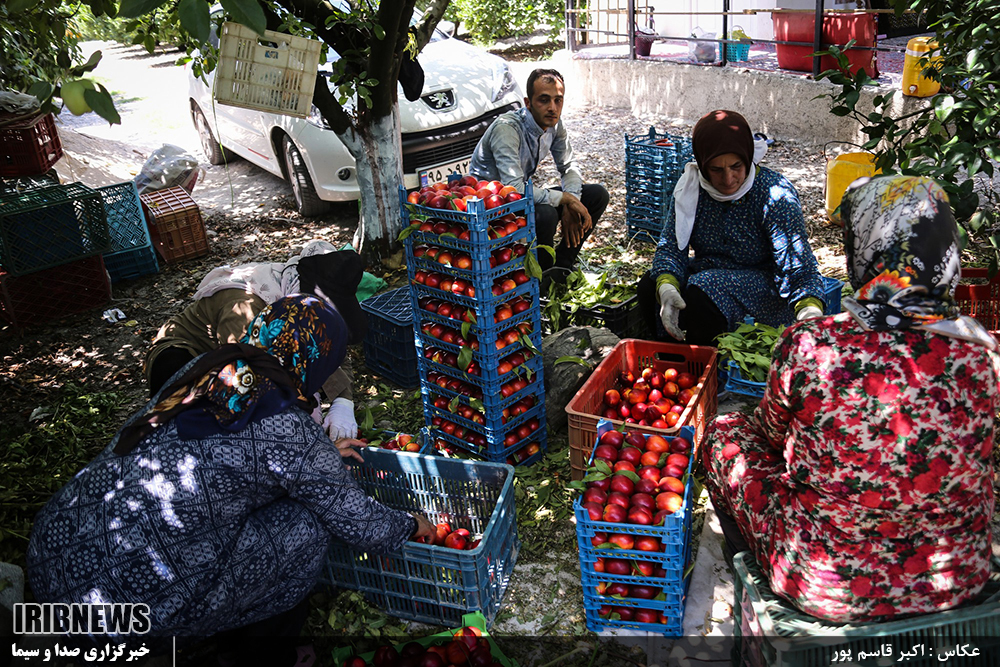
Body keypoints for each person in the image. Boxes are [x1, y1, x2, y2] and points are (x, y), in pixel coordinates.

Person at [26, 295, 435, 662]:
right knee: (309, 526)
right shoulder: (286, 427)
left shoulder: (205, 370)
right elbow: (360, 524)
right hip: (130, 608)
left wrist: (317, 458)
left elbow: (230, 458)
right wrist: (411, 524)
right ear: (317, 358)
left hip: (53, 555)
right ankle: (259, 652)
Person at [701, 175, 999, 623]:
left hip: (827, 584)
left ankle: (753, 556)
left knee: (724, 434)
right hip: (959, 577)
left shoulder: (813, 344)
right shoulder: (983, 354)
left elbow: (769, 433)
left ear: (863, 249)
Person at [144, 240, 366, 441]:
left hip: (230, 366)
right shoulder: (244, 306)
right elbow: (250, 373)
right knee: (226, 424)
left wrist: (343, 401)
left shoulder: (293, 287)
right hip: (185, 356)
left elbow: (328, 344)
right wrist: (304, 412)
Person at [637, 109, 826, 345]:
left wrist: (809, 309)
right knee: (650, 284)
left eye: (736, 166)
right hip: (709, 272)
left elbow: (798, 265)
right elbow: (671, 248)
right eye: (716, 170)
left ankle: (709, 366)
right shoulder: (692, 189)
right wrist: (666, 286)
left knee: (702, 289)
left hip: (763, 287)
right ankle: (672, 357)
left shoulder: (774, 193)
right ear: (704, 166)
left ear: (747, 158)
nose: (728, 179)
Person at [469, 68, 609, 276]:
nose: (552, 108)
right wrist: (565, 199)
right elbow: (513, 189)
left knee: (597, 195)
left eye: (558, 100)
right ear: (528, 103)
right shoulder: (507, 129)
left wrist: (573, 201)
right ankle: (542, 276)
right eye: (544, 100)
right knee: (545, 213)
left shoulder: (555, 125)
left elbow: (569, 166)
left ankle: (562, 266)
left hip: (517, 197)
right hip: (491, 206)